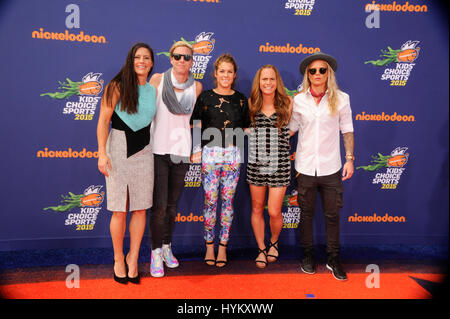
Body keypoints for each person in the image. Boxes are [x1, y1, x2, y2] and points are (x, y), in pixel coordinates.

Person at [288, 52, 354, 281]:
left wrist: (350, 159)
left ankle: (333, 259)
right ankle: (307, 256)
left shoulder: (342, 98)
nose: (317, 74)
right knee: (305, 215)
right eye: (313, 70)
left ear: (329, 73)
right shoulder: (298, 100)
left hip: (331, 168)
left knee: (332, 216)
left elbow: (347, 130)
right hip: (304, 167)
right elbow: (291, 129)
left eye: (322, 70)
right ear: (307, 74)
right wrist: (267, 136)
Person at [97, 42, 157, 284]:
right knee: (119, 210)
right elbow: (103, 121)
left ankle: (133, 257)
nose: (141, 61)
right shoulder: (117, 85)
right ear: (130, 60)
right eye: (137, 57)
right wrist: (102, 153)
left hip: (144, 151)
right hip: (117, 148)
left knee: (140, 208)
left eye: (146, 57)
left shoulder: (153, 90)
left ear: (152, 63)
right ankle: (118, 258)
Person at [148, 41, 202, 277]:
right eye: (178, 56)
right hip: (158, 150)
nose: (182, 60)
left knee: (172, 206)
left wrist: (197, 148)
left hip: (182, 151)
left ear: (192, 62)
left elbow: (196, 121)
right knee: (159, 207)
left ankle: (167, 247)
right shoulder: (158, 80)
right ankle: (155, 253)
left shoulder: (197, 87)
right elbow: (148, 114)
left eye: (187, 57)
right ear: (171, 59)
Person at [191, 53, 250, 268]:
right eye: (222, 71)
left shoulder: (241, 99)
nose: (226, 75)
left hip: (233, 156)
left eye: (230, 71)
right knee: (210, 201)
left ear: (234, 75)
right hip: (209, 155)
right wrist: (197, 150)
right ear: (215, 73)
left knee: (227, 202)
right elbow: (196, 125)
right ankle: (209, 246)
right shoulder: (205, 97)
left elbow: (246, 128)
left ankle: (223, 246)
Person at [247, 65, 293, 268]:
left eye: (271, 79)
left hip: (280, 164)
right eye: (264, 79)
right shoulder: (251, 104)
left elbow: (294, 129)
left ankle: (274, 242)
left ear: (277, 81)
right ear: (259, 82)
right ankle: (261, 248)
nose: (268, 83)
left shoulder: (287, 103)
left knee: (274, 211)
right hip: (256, 163)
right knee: (257, 208)